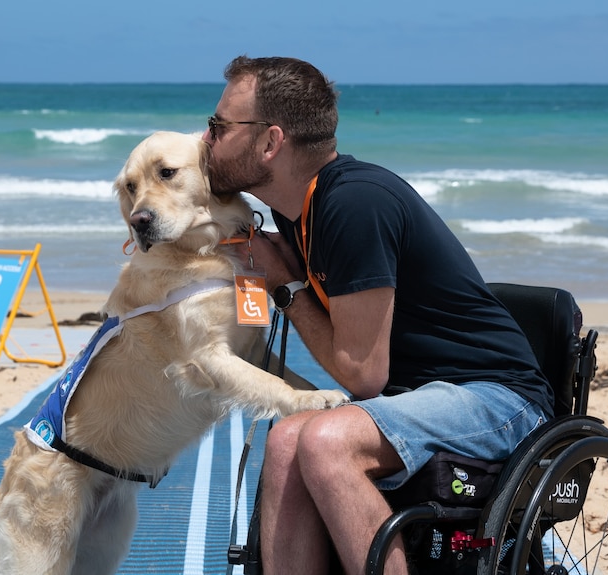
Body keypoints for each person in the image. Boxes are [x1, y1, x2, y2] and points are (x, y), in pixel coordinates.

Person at [203, 55, 553, 575]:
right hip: (419, 399)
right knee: (285, 440)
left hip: (497, 399)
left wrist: (287, 286)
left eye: (218, 127)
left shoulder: (354, 204)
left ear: (270, 142)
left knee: (324, 441)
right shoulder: (296, 211)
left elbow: (364, 375)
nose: (205, 139)